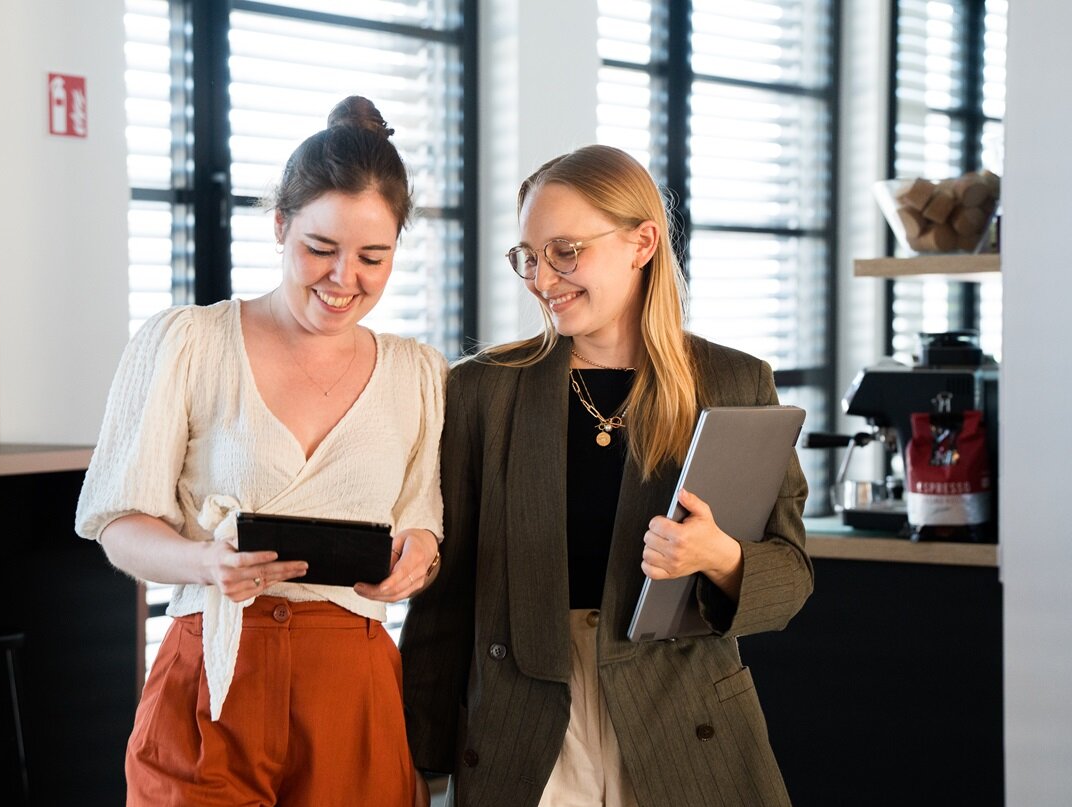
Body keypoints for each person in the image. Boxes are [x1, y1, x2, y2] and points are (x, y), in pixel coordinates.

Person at [399, 144, 812, 807]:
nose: (542, 277)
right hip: (523, 731)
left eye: (565, 251)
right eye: (528, 257)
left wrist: (722, 557)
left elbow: (791, 574)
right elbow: (446, 601)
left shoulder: (734, 382)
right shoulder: (483, 391)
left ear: (642, 242)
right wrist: (419, 760)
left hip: (684, 728)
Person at [75, 96, 445, 807]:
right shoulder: (186, 342)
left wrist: (416, 559)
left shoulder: (420, 375)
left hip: (352, 690)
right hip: (212, 674)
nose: (345, 279)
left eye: (373, 257)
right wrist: (203, 561)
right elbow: (120, 525)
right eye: (320, 249)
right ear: (279, 225)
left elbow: (422, 524)